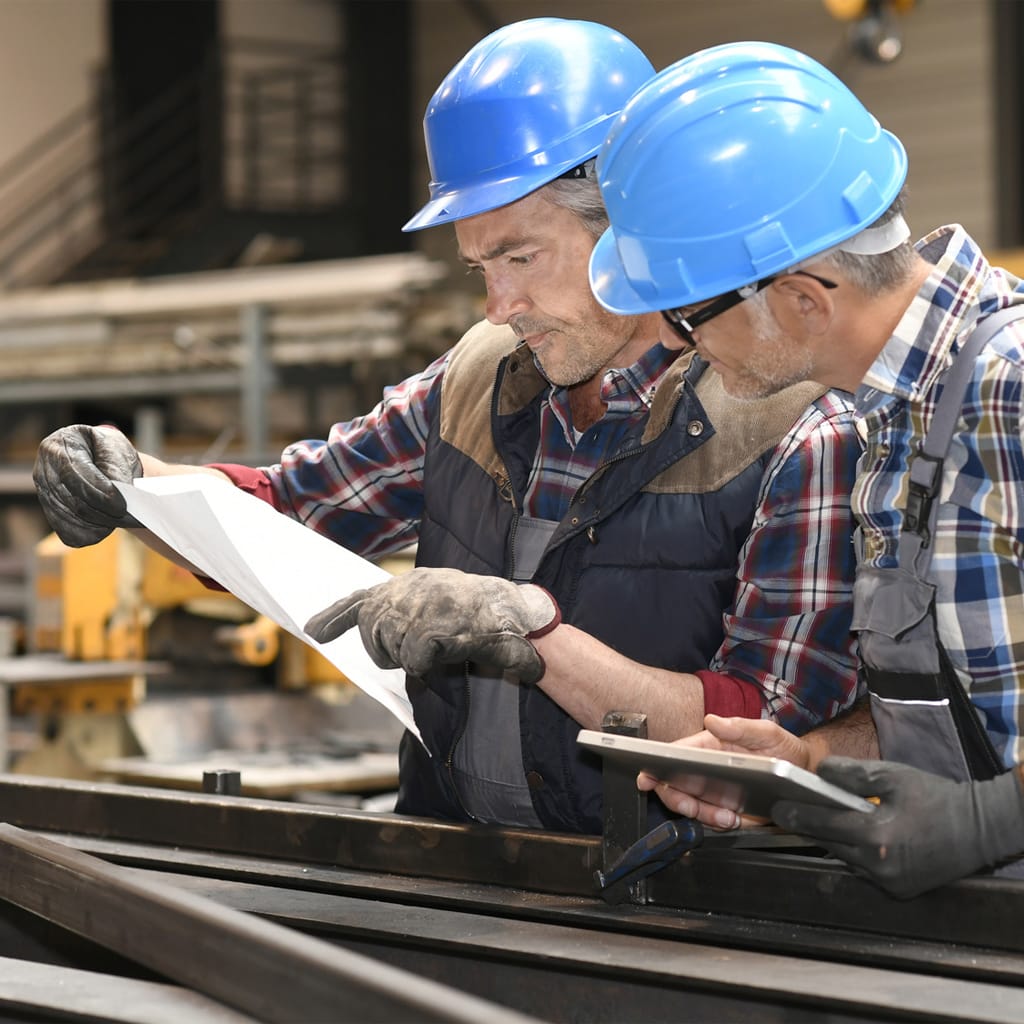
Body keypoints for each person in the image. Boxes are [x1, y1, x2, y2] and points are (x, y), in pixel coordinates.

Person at [31, 21, 861, 835]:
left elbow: (762, 740)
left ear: (628, 223)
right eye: (479, 270)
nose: (500, 308)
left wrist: (537, 640)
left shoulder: (790, 428)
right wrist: (136, 484)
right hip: (458, 875)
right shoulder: (474, 382)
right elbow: (286, 511)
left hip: (669, 908)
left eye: (520, 259)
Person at [587, 39, 1024, 894]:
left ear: (800, 299)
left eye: (686, 317)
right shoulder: (892, 420)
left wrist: (993, 821)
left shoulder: (1009, 388)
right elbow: (973, 700)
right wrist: (812, 760)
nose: (682, 350)